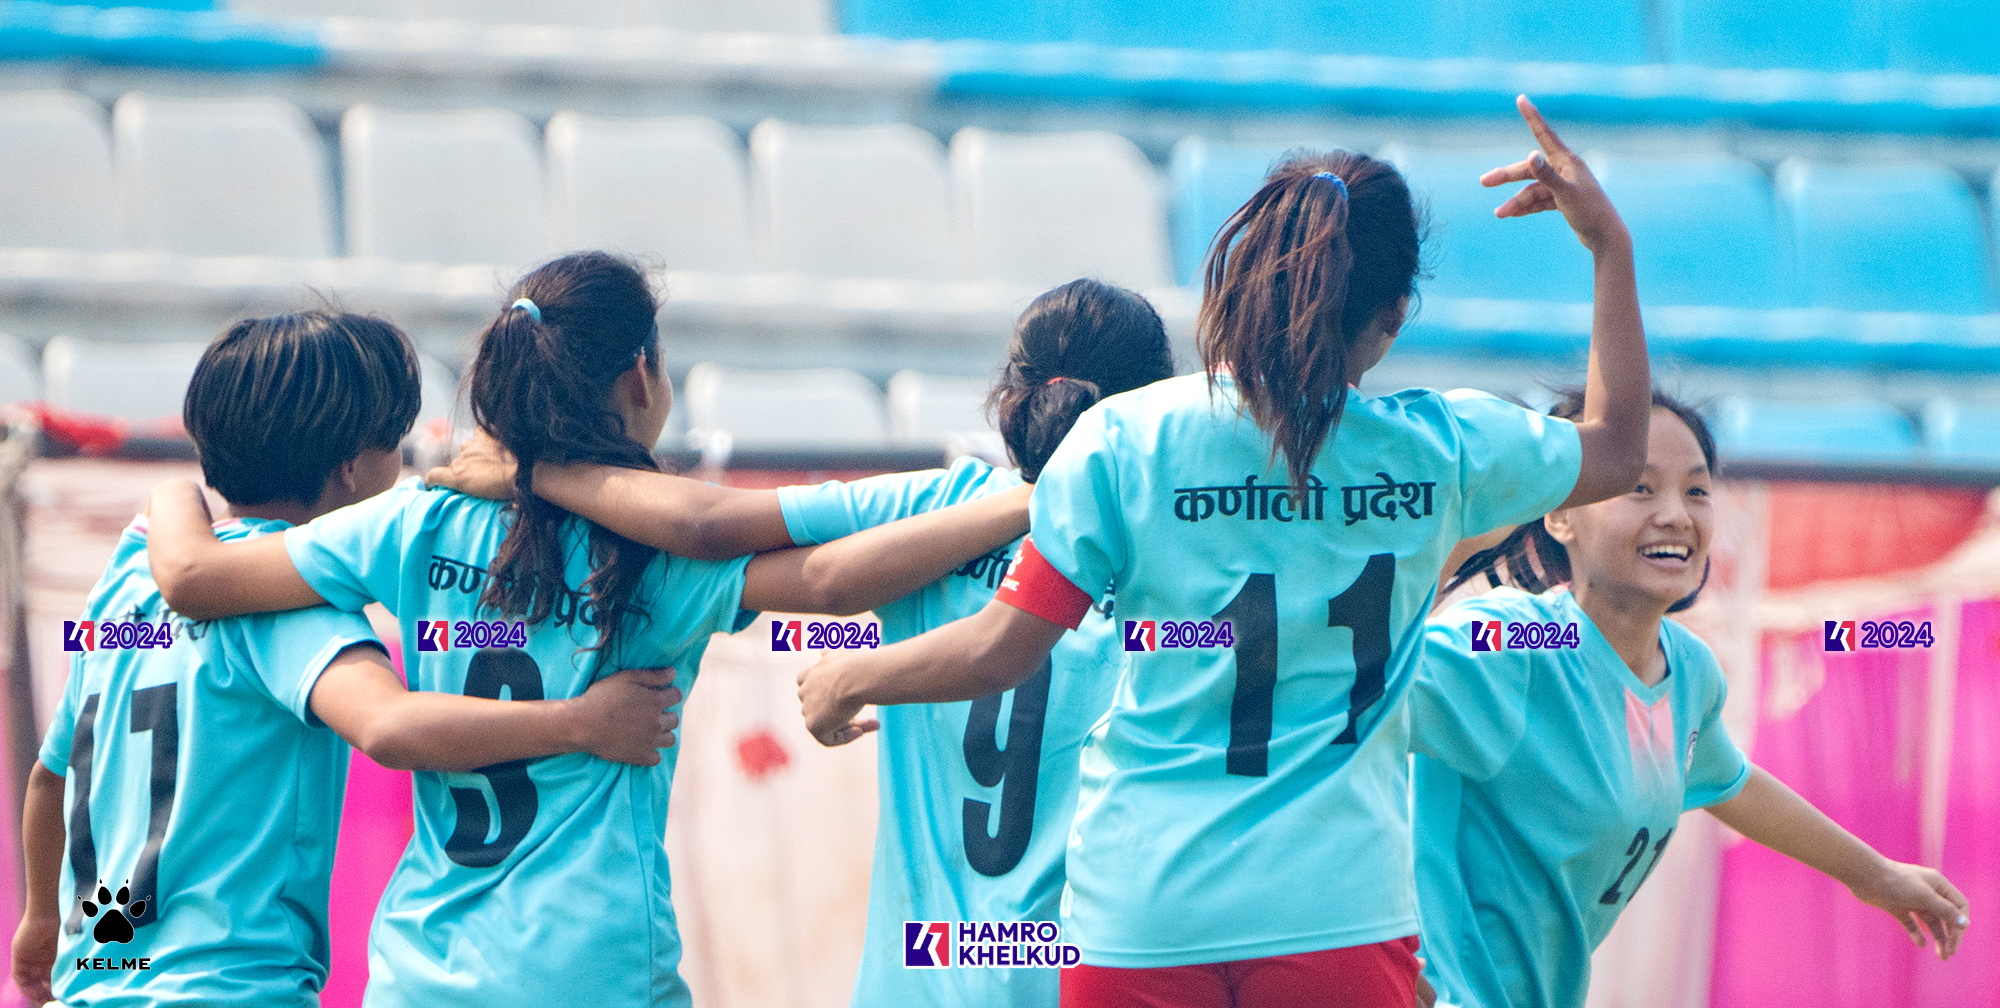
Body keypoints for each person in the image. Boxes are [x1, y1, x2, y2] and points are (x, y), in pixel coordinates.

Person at [796, 95, 1653, 1008]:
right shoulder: (1441, 449)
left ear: (1240, 287)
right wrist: (1609, 248)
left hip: (1142, 912)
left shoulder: (1123, 441)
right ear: (1392, 316)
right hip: (1340, 913)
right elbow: (1617, 450)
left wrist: (848, 676)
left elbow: (1000, 651)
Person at [140, 252, 1036, 1008]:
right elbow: (835, 580)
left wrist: (171, 494)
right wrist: (1023, 504)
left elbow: (199, 577)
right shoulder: (655, 562)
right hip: (590, 971)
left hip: (422, 969)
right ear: (640, 376)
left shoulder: (414, 519)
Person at [455, 278, 1174, 1006]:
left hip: (915, 986)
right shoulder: (1181, 556)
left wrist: (536, 475)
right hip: (1092, 977)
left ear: (1012, 396)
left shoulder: (940, 504)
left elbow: (721, 530)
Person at [10, 311, 681, 1007]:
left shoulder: (126, 583)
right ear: (353, 469)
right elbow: (387, 726)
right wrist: (580, 722)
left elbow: (48, 779)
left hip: (91, 985)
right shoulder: (289, 604)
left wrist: (39, 923)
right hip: (226, 992)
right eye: (394, 444)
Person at [1413, 390, 1971, 1008]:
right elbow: (1369, 690)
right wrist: (1448, 536)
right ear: (1560, 515)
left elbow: (1730, 782)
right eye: (1640, 487)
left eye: (1697, 490)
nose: (1676, 515)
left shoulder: (1685, 673)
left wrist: (1876, 876)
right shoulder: (1515, 643)